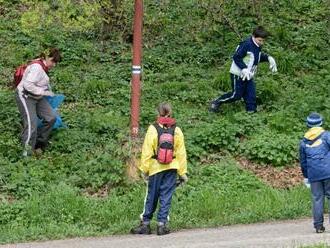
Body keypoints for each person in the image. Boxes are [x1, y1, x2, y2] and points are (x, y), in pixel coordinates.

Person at [131, 102, 188, 236]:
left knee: (151, 195)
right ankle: (162, 225)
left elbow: (146, 150)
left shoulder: (153, 129)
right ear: (170, 112)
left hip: (156, 167)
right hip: (172, 168)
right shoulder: (177, 130)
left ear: (158, 113)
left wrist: (144, 169)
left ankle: (145, 224)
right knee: (166, 196)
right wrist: (183, 172)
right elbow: (181, 153)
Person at [209, 26, 277, 113]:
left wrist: (269, 58)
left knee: (251, 95)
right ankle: (216, 102)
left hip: (249, 75)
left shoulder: (257, 46)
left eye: (263, 41)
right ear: (253, 36)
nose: (262, 43)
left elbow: (256, 57)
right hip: (238, 73)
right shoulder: (246, 44)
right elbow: (236, 57)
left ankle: (251, 113)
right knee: (236, 95)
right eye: (260, 40)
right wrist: (244, 68)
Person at [15, 48, 62, 156]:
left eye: (56, 63)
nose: (54, 65)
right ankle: (27, 154)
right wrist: (43, 92)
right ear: (47, 57)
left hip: (37, 96)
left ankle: (39, 144)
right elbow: (28, 85)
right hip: (25, 96)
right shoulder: (37, 67)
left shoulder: (43, 66)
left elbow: (42, 84)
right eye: (53, 61)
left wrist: (48, 94)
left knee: (51, 117)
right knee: (32, 125)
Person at [299, 112, 330, 233]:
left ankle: (318, 226)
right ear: (321, 123)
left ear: (308, 125)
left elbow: (303, 162)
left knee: (317, 199)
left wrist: (307, 175)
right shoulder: (327, 136)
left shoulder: (303, 142)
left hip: (314, 174)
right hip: (328, 172)